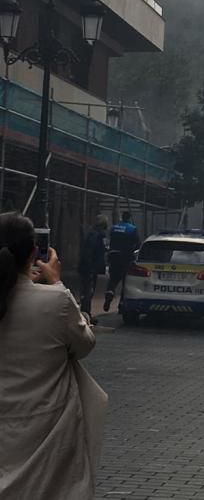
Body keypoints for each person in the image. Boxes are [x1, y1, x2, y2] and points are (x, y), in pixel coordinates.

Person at [0, 212, 100, 499]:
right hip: (47, 429)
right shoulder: (55, 301)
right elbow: (84, 344)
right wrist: (55, 283)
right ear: (34, 253)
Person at [103, 210, 140, 312]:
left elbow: (110, 240)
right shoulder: (132, 229)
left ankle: (110, 292)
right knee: (126, 281)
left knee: (113, 279)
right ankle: (122, 304)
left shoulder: (114, 228)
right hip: (126, 258)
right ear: (129, 218)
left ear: (122, 217)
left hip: (114, 256)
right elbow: (137, 244)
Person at [78, 214, 108, 322]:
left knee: (87, 291)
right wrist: (91, 267)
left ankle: (85, 313)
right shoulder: (96, 235)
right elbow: (89, 252)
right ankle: (86, 314)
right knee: (88, 292)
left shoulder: (93, 233)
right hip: (89, 268)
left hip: (89, 267)